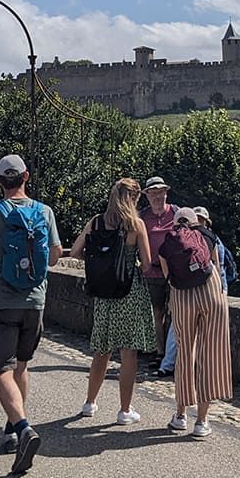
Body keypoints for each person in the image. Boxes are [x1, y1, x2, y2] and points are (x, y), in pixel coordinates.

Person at [0, 154, 63, 475]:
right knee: (21, 365)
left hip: (2, 302)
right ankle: (12, 428)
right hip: (35, 303)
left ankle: (22, 428)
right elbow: (53, 257)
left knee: (0, 369)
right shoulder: (45, 211)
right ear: (26, 176)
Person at [69, 178, 153, 424]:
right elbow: (146, 264)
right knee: (128, 353)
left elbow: (74, 252)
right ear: (135, 198)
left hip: (103, 294)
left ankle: (90, 403)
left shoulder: (95, 222)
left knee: (101, 351)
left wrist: (101, 261)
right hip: (128, 293)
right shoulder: (135, 225)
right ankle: (124, 410)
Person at [158, 207, 232, 439]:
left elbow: (168, 276)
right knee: (210, 355)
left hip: (182, 296)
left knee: (185, 353)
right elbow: (218, 269)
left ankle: (180, 415)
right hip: (211, 295)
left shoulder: (168, 243)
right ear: (195, 222)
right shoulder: (208, 236)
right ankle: (202, 421)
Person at [140, 176, 177, 360]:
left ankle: (172, 354)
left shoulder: (176, 213)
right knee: (157, 313)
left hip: (175, 273)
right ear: (147, 195)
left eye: (161, 192)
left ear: (166, 193)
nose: (157, 196)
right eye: (153, 193)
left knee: (175, 313)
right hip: (151, 272)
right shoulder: (142, 217)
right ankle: (160, 352)